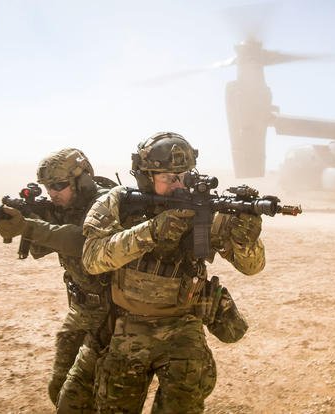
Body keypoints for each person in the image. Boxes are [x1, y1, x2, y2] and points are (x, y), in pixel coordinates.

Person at [81, 131, 265, 413]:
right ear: (145, 176)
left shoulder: (204, 208)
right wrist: (151, 231)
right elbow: (93, 259)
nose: (179, 185)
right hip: (128, 327)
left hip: (183, 328)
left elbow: (253, 267)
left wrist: (244, 240)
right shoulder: (118, 202)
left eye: (184, 176)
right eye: (168, 178)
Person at [0, 148, 113, 411]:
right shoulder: (63, 207)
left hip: (113, 315)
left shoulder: (107, 203)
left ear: (81, 180)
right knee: (58, 386)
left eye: (59, 185)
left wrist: (30, 226)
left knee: (95, 398)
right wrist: (26, 218)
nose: (53, 193)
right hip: (82, 310)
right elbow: (40, 249)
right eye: (48, 187)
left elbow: (82, 241)